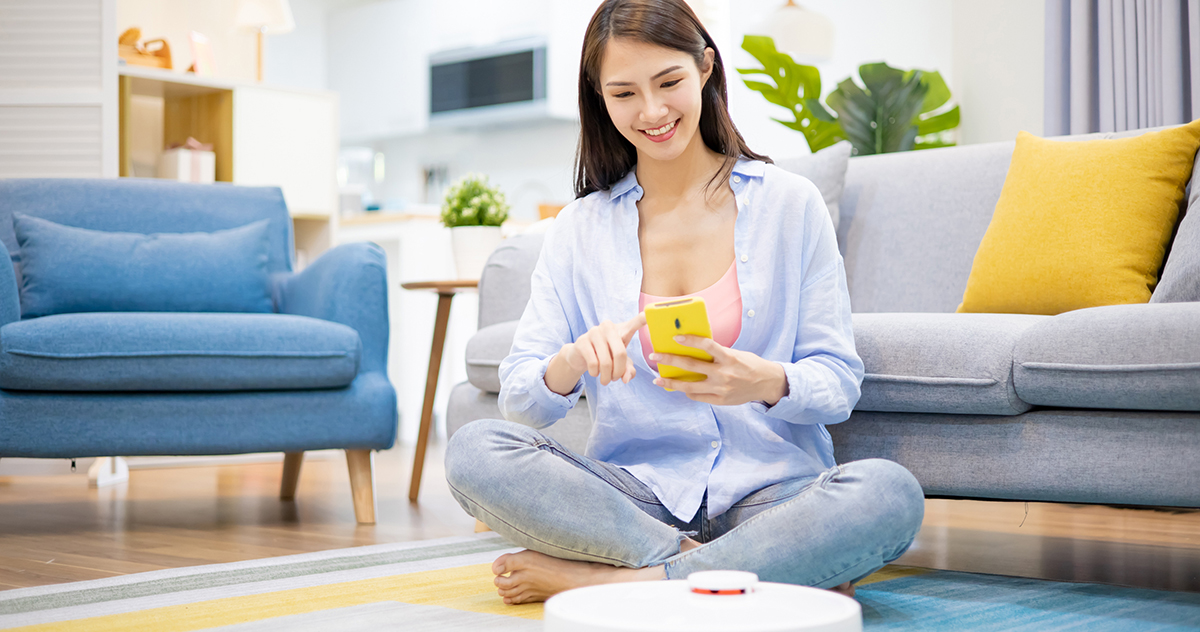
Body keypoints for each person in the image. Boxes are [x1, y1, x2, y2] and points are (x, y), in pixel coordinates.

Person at [444, 0, 925, 606]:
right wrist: (570, 362)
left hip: (770, 497)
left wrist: (763, 381)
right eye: (624, 93)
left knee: (889, 494)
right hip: (635, 501)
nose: (651, 111)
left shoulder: (789, 205)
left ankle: (621, 582)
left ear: (705, 68)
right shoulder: (579, 229)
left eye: (668, 82)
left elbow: (838, 382)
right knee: (473, 450)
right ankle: (733, 568)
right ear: (599, 98)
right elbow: (520, 401)